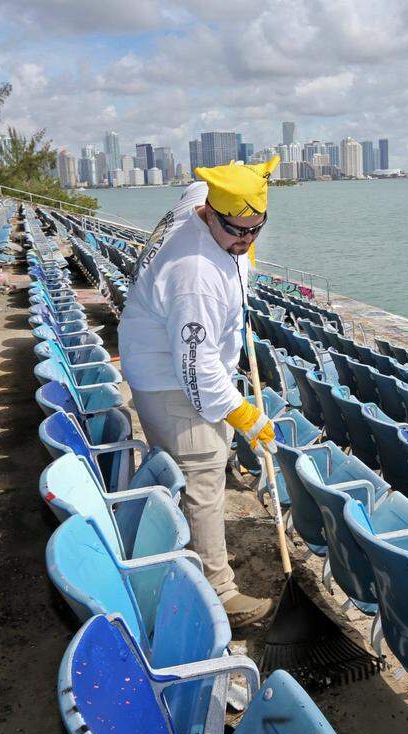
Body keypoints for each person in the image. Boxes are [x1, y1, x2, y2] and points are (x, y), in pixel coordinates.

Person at [119, 156, 280, 629]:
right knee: (203, 477)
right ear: (212, 213)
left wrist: (245, 176)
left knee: (197, 471)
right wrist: (245, 416)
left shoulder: (203, 201)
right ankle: (218, 593)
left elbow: (196, 185)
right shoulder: (196, 278)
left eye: (256, 229)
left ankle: (190, 564)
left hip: (164, 361)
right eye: (237, 231)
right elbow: (199, 373)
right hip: (172, 380)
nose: (246, 240)